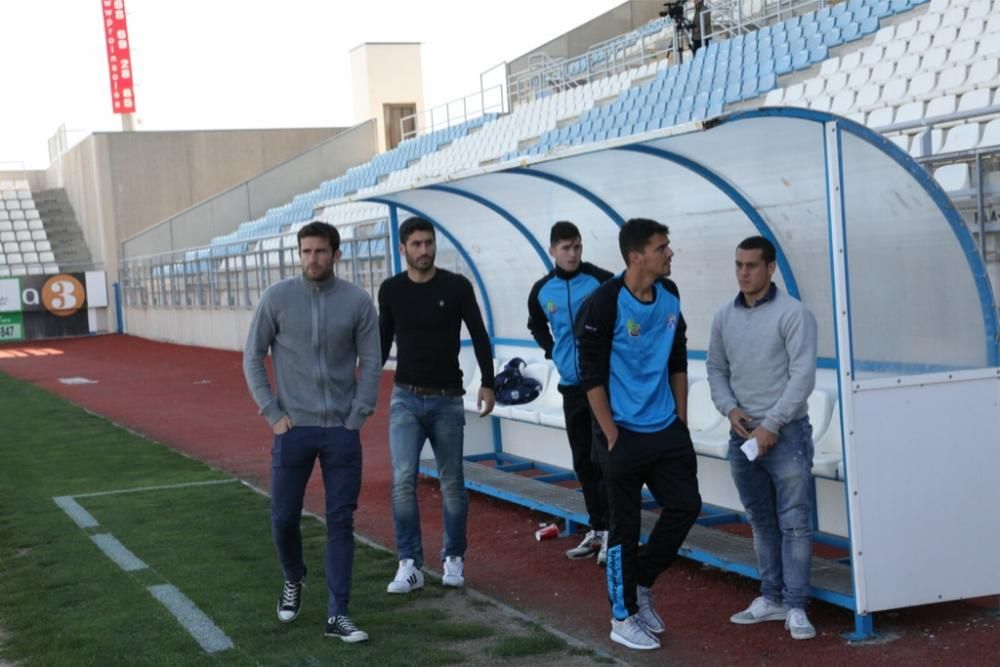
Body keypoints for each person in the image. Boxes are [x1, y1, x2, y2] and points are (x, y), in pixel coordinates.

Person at [243, 221, 380, 643]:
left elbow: (372, 362)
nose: (312, 259)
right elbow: (253, 357)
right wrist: (273, 413)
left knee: (340, 521)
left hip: (341, 430)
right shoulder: (277, 298)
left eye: (320, 252)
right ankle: (293, 577)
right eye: (305, 252)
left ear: (336, 254)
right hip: (293, 429)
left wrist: (357, 415)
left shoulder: (357, 301)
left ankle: (338, 614)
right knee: (283, 516)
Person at [577, 218, 702, 651]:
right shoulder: (604, 302)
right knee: (624, 529)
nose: (670, 253)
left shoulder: (670, 295)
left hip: (666, 429)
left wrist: (680, 419)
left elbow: (678, 357)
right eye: (662, 247)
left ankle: (643, 582)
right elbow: (588, 374)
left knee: (686, 506)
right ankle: (622, 615)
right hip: (623, 435)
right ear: (637, 256)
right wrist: (610, 433)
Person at [705, 235, 819, 641]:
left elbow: (803, 377)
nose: (744, 273)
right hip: (742, 433)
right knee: (761, 520)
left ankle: (796, 606)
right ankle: (770, 598)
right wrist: (730, 410)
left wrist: (772, 424)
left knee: (794, 523)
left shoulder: (794, 314)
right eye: (738, 265)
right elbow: (715, 369)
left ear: (771, 268)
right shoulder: (724, 316)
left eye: (752, 265)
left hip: (785, 434)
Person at [378, 216, 496, 594]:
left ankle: (453, 558)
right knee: (401, 481)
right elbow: (382, 343)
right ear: (403, 249)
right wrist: (363, 388)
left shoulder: (457, 286)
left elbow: (479, 334)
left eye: (428, 243)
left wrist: (489, 384)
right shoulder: (391, 290)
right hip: (405, 398)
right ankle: (410, 563)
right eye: (416, 244)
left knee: (452, 483)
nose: (424, 250)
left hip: (447, 400)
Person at [527, 221, 614, 563]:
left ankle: (614, 533)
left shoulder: (601, 280)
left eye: (577, 247)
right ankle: (598, 528)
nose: (573, 254)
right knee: (582, 460)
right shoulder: (541, 290)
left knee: (604, 459)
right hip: (570, 387)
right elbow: (535, 324)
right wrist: (553, 351)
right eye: (566, 248)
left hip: (602, 387)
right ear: (552, 251)